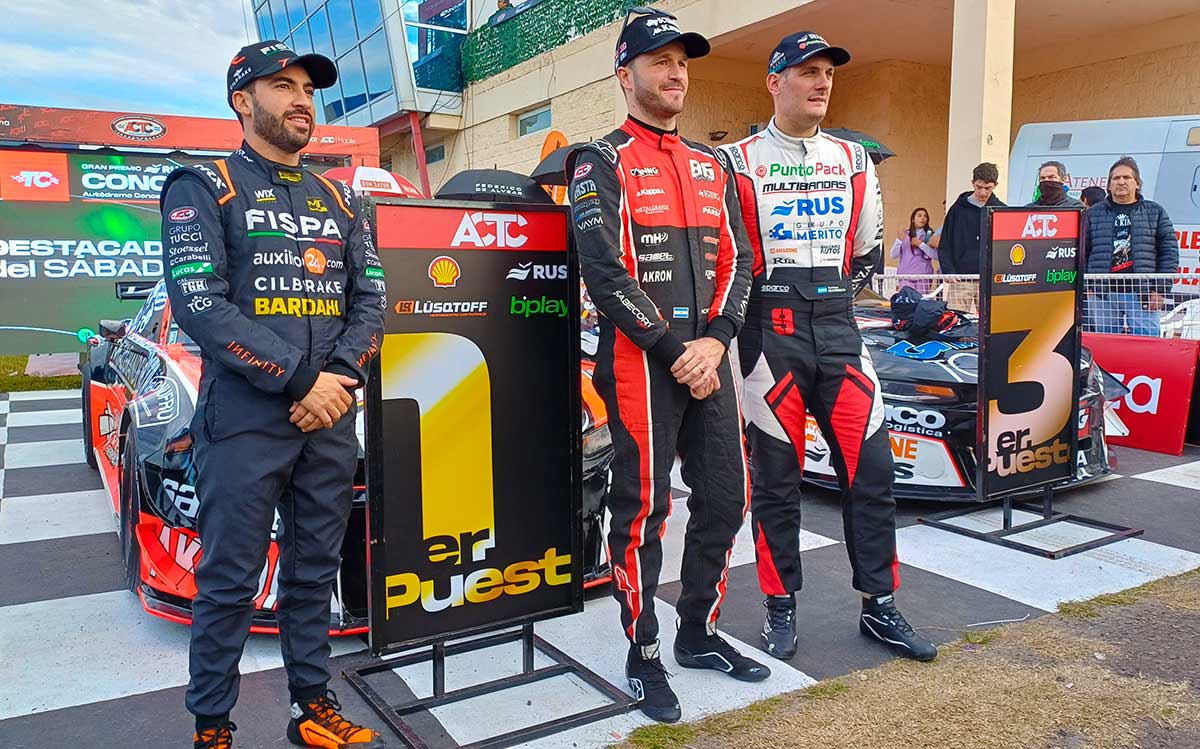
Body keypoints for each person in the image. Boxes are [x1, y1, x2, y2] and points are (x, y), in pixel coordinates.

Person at [161, 40, 387, 749]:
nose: (300, 100)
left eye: (308, 90)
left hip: (328, 419)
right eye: (282, 86)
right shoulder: (202, 184)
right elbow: (200, 303)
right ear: (241, 100)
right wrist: (301, 379)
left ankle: (311, 708)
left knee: (315, 572)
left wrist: (340, 381)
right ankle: (212, 727)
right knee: (229, 579)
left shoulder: (344, 199)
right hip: (246, 420)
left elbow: (372, 301)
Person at [566, 7, 767, 724]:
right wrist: (675, 349)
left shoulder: (714, 165)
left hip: (709, 359)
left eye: (682, 60)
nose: (676, 72)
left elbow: (741, 260)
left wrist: (716, 340)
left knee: (726, 497)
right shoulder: (599, 159)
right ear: (627, 75)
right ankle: (642, 649)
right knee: (643, 512)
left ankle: (697, 632)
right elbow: (603, 268)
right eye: (660, 60)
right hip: (640, 363)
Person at [720, 32, 937, 665]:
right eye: (807, 72)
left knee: (871, 477)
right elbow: (727, 255)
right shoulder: (736, 161)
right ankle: (779, 607)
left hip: (841, 329)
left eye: (828, 75)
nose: (821, 83)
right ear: (774, 82)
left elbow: (869, 252)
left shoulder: (853, 159)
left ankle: (880, 606)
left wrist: (831, 298)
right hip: (768, 332)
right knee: (777, 483)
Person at [1083, 156, 1179, 336]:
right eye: (1116, 178)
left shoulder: (1155, 212)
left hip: (1141, 293)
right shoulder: (1092, 214)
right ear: (1109, 186)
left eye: (1127, 178)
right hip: (1102, 294)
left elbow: (1169, 253)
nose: (1121, 182)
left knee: (1148, 346)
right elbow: (1082, 251)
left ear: (1137, 184)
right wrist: (1088, 285)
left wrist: (1159, 289)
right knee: (1107, 348)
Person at [937, 162, 1005, 312]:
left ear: (995, 185)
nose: (982, 192)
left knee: (993, 325)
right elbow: (945, 243)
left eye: (988, 188)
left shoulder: (1001, 210)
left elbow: (1006, 247)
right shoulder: (957, 210)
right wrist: (948, 271)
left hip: (991, 279)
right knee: (956, 322)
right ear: (972, 183)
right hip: (961, 277)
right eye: (979, 187)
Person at [890, 207, 938, 293]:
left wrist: (921, 244)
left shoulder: (930, 235)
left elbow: (935, 256)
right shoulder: (905, 234)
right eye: (919, 216)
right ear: (913, 219)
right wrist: (899, 240)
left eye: (925, 216)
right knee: (907, 302)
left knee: (920, 302)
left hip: (923, 275)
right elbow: (893, 255)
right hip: (905, 275)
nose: (922, 218)